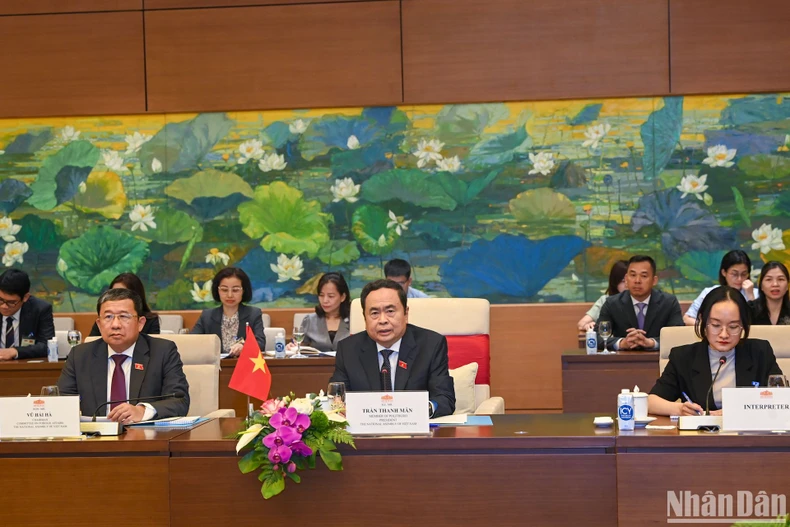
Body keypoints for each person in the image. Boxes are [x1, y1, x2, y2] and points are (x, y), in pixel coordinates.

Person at [57, 288, 189, 422]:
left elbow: (179, 401)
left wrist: (142, 411)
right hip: (96, 438)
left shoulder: (162, 351)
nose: (115, 325)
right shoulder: (80, 356)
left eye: (124, 316)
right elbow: (61, 403)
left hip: (144, 438)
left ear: (140, 323)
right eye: (108, 317)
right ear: (99, 324)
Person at [329, 279, 455, 418]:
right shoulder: (348, 349)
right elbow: (337, 397)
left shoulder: (431, 345)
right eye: (374, 313)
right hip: (366, 434)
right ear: (365, 317)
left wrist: (422, 410)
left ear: (405, 314)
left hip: (415, 434)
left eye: (390, 311)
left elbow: (444, 398)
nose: (383, 320)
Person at [649, 286, 782, 416]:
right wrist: (679, 409)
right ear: (703, 321)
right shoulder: (683, 357)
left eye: (733, 326)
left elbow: (781, 398)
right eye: (716, 325)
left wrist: (735, 411)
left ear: (743, 326)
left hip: (748, 435)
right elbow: (651, 402)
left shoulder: (760, 352)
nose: (724, 334)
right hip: (702, 435)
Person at [596, 255, 684, 351]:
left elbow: (678, 336)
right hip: (623, 362)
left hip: (657, 362)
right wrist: (622, 343)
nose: (637, 281)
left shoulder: (669, 303)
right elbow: (597, 337)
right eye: (633, 275)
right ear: (626, 278)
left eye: (644, 276)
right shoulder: (612, 303)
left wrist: (651, 342)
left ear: (654, 280)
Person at [190, 267, 265, 356]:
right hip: (215, 367)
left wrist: (244, 346)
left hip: (243, 366)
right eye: (224, 290)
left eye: (235, 290)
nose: (229, 295)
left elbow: (260, 343)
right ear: (218, 291)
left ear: (243, 291)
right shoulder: (207, 316)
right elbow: (192, 341)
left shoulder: (253, 314)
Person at [683, 250, 757, 325]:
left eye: (744, 274)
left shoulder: (755, 293)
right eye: (734, 274)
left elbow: (759, 323)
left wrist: (751, 296)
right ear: (724, 272)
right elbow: (687, 319)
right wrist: (709, 328)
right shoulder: (709, 292)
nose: (739, 279)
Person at [0, 269, 55, 360]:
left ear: (25, 297)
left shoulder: (40, 309)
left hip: (25, 367)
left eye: (11, 302)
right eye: (1, 300)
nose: (4, 306)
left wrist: (15, 351)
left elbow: (47, 345)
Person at [292, 272, 351, 352]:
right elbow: (300, 348)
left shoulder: (354, 320)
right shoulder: (310, 320)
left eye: (331, 296)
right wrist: (293, 347)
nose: (325, 300)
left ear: (343, 297)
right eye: (321, 295)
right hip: (316, 364)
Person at [88, 273, 160, 336]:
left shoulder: (150, 320)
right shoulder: (105, 319)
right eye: (113, 293)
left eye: (123, 294)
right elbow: (92, 344)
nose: (115, 325)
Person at [577, 260, 628, 331]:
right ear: (614, 281)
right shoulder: (605, 300)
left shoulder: (640, 301)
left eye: (629, 280)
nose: (627, 285)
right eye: (623, 281)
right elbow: (581, 323)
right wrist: (588, 325)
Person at [749, 261, 790, 325]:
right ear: (761, 286)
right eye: (769, 279)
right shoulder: (749, 310)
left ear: (787, 285)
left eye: (780, 279)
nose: (775, 284)